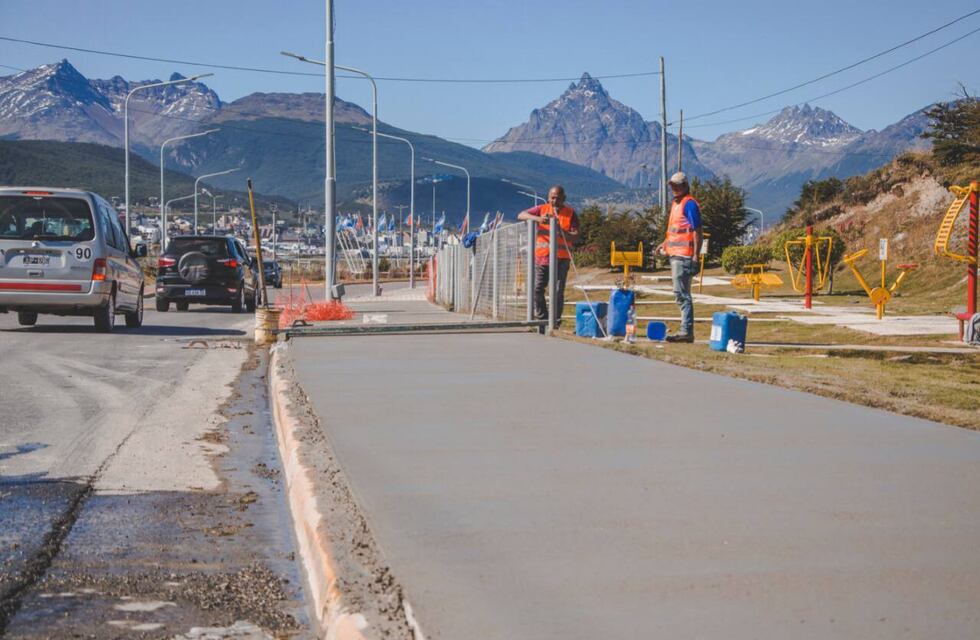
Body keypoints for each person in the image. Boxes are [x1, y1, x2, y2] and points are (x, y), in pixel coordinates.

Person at [517, 185, 579, 328]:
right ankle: (543, 319)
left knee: (557, 291)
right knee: (537, 289)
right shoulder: (542, 209)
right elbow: (521, 215)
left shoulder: (570, 213)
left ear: (564, 198)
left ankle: (554, 321)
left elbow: (576, 236)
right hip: (542, 258)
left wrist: (562, 232)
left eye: (558, 198)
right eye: (552, 197)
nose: (554, 201)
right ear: (548, 197)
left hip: (561, 259)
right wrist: (538, 219)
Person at [656, 172, 702, 342]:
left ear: (684, 186)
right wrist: (664, 243)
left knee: (681, 294)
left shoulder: (689, 204)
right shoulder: (677, 204)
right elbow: (676, 231)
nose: (674, 188)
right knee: (681, 293)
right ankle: (685, 330)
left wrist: (696, 255)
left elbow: (697, 231)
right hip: (676, 254)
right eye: (672, 185)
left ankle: (686, 331)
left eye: (677, 185)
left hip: (684, 256)